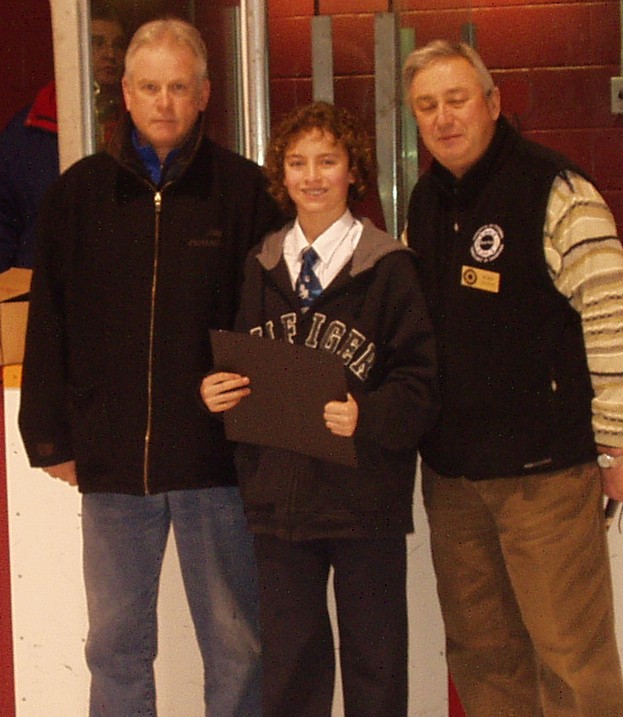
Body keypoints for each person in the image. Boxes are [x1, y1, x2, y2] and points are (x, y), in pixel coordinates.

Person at [18, 17, 283, 717]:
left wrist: (258, 430)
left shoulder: (246, 193)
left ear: (204, 95)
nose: (164, 102)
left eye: (178, 87)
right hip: (111, 462)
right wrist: (49, 436)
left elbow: (271, 327)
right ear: (126, 95)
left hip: (215, 461)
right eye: (150, 87)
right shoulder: (77, 195)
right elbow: (49, 320)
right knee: (114, 646)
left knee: (237, 644)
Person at [402, 39, 623, 717]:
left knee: (572, 661)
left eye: (456, 99)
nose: (443, 118)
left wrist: (612, 444)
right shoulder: (424, 201)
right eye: (426, 106)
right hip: (453, 479)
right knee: (483, 659)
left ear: (492, 103)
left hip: (544, 478)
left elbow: (618, 319)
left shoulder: (555, 189)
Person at [200, 101, 436, 717]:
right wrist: (217, 394)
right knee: (291, 668)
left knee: (375, 664)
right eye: (298, 162)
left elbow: (420, 384)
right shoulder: (260, 265)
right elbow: (241, 366)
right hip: (280, 505)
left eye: (327, 161)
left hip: (365, 503)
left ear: (353, 171)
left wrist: (369, 416)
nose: (312, 177)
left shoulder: (389, 268)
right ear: (281, 174)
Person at [0, 2, 127, 272]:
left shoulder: (141, 125)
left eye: (117, 45)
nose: (110, 54)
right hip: (37, 279)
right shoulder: (29, 130)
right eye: (96, 43)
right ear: (74, 48)